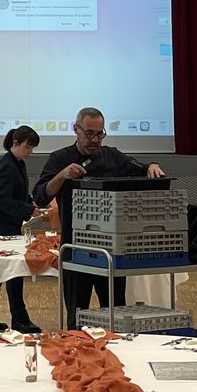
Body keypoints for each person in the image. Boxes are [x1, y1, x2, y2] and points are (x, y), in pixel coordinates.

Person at [31, 107, 166, 314]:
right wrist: (61, 176)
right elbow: (40, 196)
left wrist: (152, 165)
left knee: (114, 311)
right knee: (76, 315)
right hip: (75, 249)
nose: (95, 140)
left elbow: (142, 167)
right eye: (89, 134)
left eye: (100, 134)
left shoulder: (112, 156)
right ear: (76, 129)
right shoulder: (59, 158)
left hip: (110, 251)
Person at [0, 126, 43, 334]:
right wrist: (28, 210)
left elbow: (18, 193)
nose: (30, 152)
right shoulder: (7, 166)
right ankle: (18, 318)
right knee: (10, 272)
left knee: (4, 272)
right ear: (15, 144)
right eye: (27, 147)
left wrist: (31, 204)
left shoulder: (17, 163)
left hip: (8, 225)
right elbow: (1, 200)